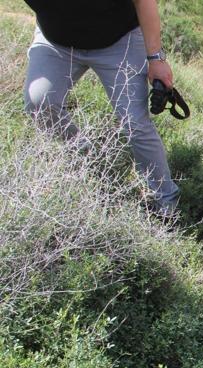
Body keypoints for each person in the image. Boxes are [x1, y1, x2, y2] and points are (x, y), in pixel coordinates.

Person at [22, 0, 180, 216]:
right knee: (39, 102)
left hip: (119, 40)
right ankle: (93, 161)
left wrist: (156, 58)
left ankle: (166, 201)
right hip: (56, 41)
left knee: (135, 122)